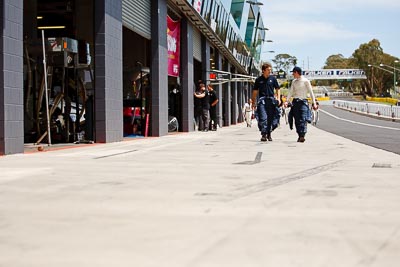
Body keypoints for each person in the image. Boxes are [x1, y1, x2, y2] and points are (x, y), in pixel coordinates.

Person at [285, 66, 317, 142]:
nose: (293, 74)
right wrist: (286, 101)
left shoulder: (306, 81)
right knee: (297, 120)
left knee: (303, 119)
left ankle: (302, 134)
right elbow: (290, 92)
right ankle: (299, 134)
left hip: (303, 102)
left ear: (296, 72)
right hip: (295, 102)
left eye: (293, 73)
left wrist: (314, 103)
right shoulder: (294, 82)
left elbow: (311, 92)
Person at [252, 63, 281, 141]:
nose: (270, 71)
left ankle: (269, 133)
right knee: (263, 118)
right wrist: (253, 102)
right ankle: (264, 134)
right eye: (268, 70)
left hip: (271, 101)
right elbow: (255, 92)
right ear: (263, 70)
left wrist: (278, 98)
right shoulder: (258, 80)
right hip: (262, 101)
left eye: (270, 70)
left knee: (272, 119)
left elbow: (278, 89)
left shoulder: (273, 79)